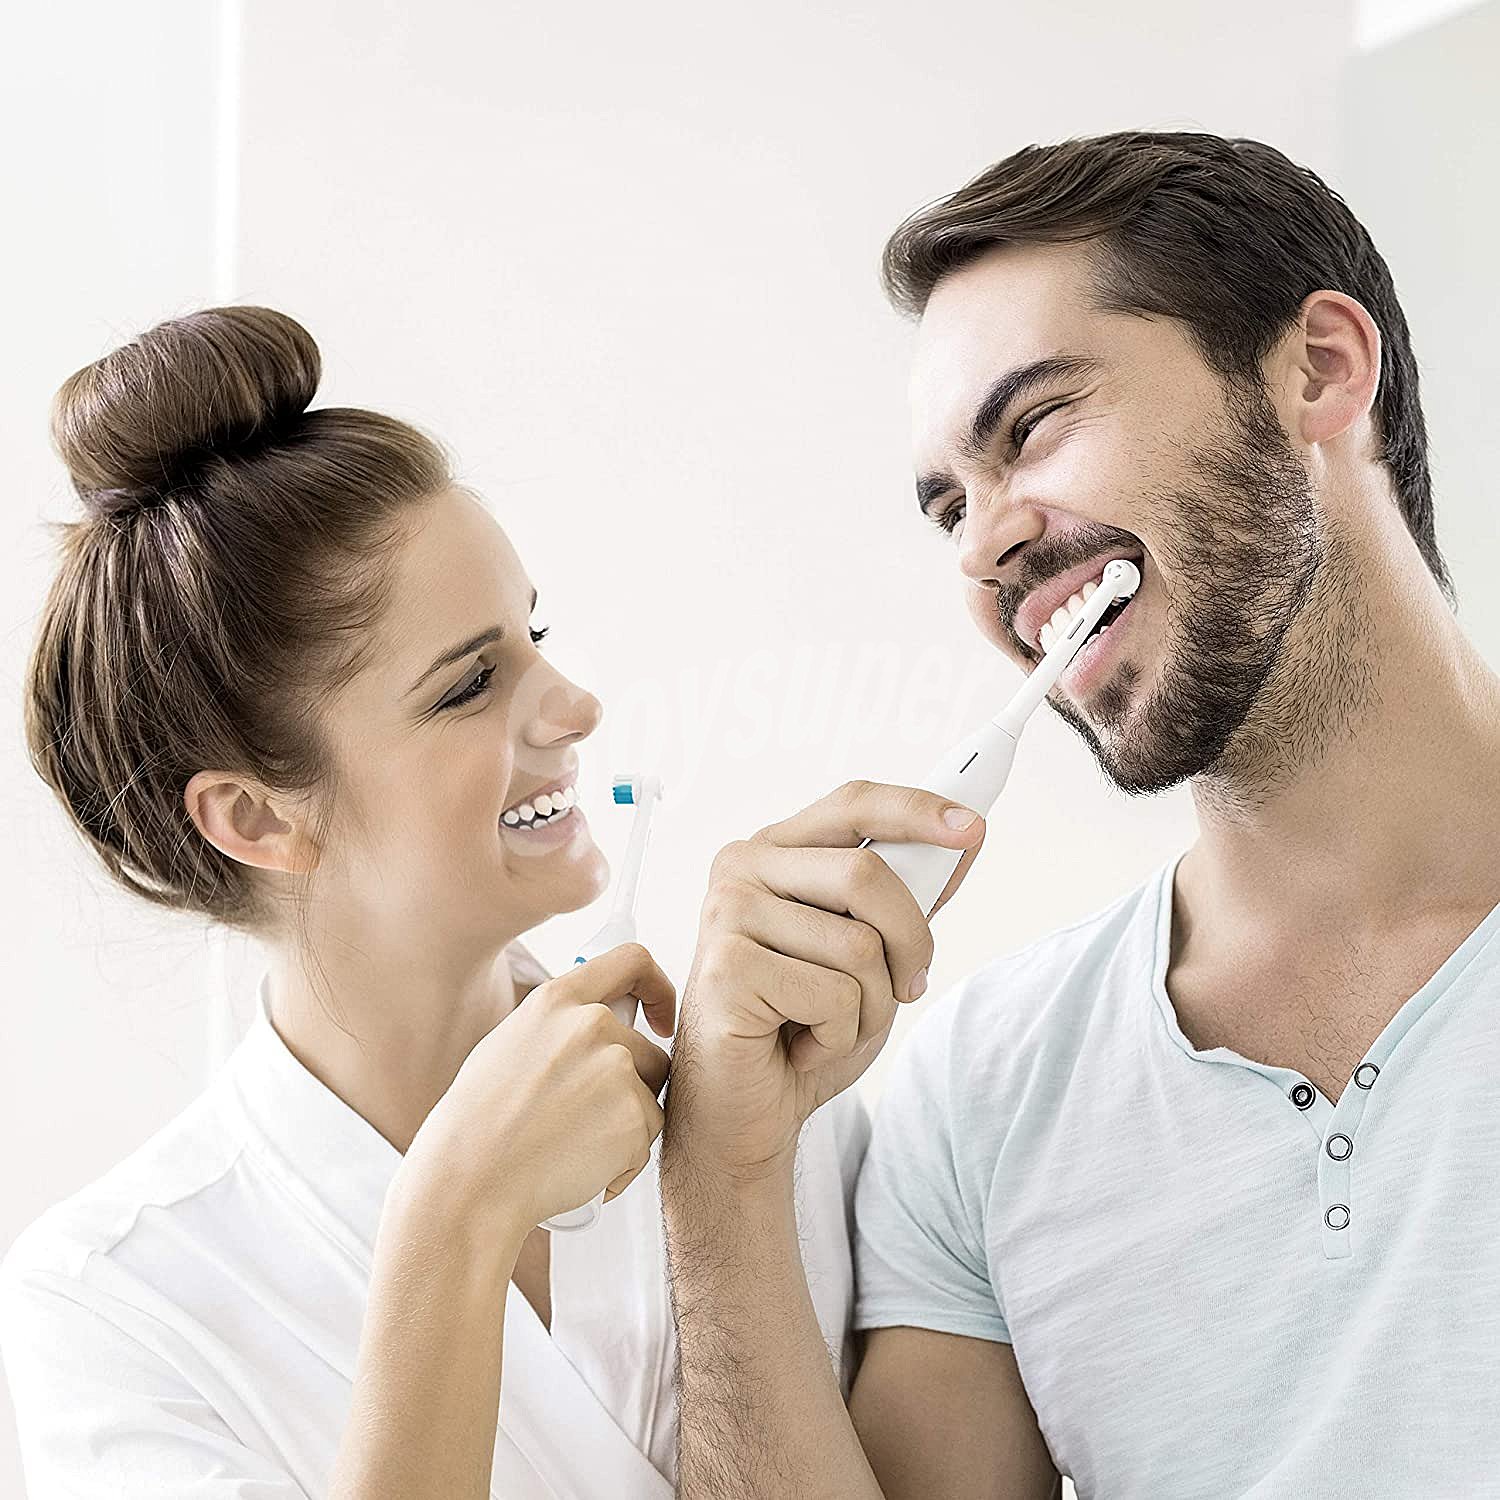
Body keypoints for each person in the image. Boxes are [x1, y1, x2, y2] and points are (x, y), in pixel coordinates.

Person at [661, 130, 1500, 1498]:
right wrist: (724, 1176)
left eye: (1034, 426)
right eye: (948, 506)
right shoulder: (985, 1095)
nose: (986, 540)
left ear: (1321, 370)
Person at [0, 304, 874, 1499]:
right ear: (257, 817)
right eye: (471, 683)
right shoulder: (114, 1308)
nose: (573, 706)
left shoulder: (778, 1117)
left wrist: (727, 1178)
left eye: (537, 634)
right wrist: (454, 1221)